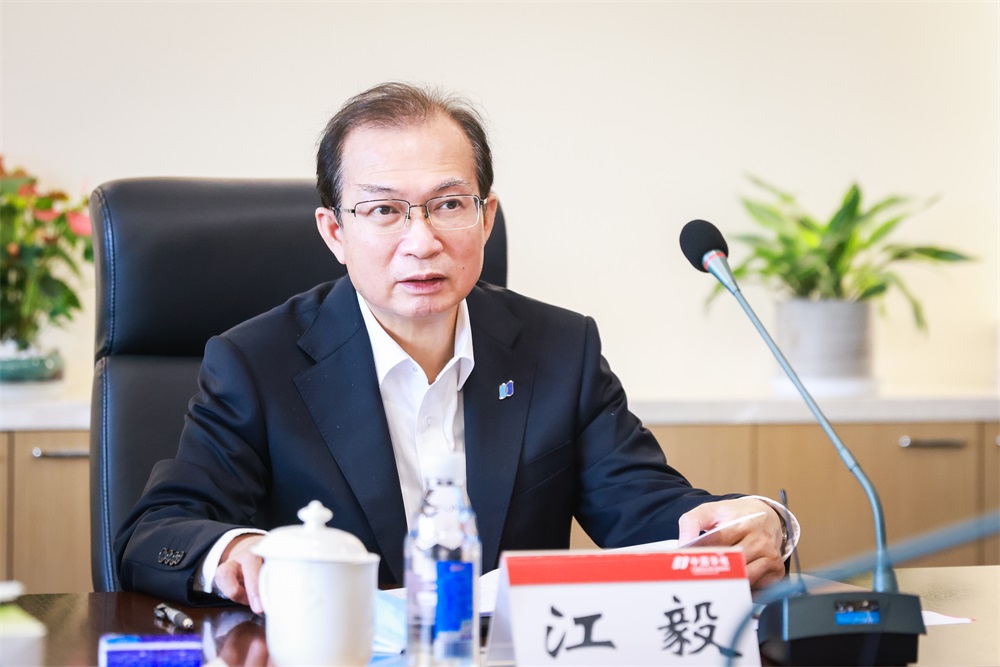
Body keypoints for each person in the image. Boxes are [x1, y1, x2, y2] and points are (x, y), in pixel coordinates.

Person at [116, 82, 799, 614]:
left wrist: (754, 522)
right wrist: (237, 551)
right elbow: (157, 532)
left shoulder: (560, 350)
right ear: (334, 232)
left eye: (448, 204)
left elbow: (651, 513)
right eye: (384, 210)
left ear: (485, 217)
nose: (421, 241)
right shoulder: (256, 362)